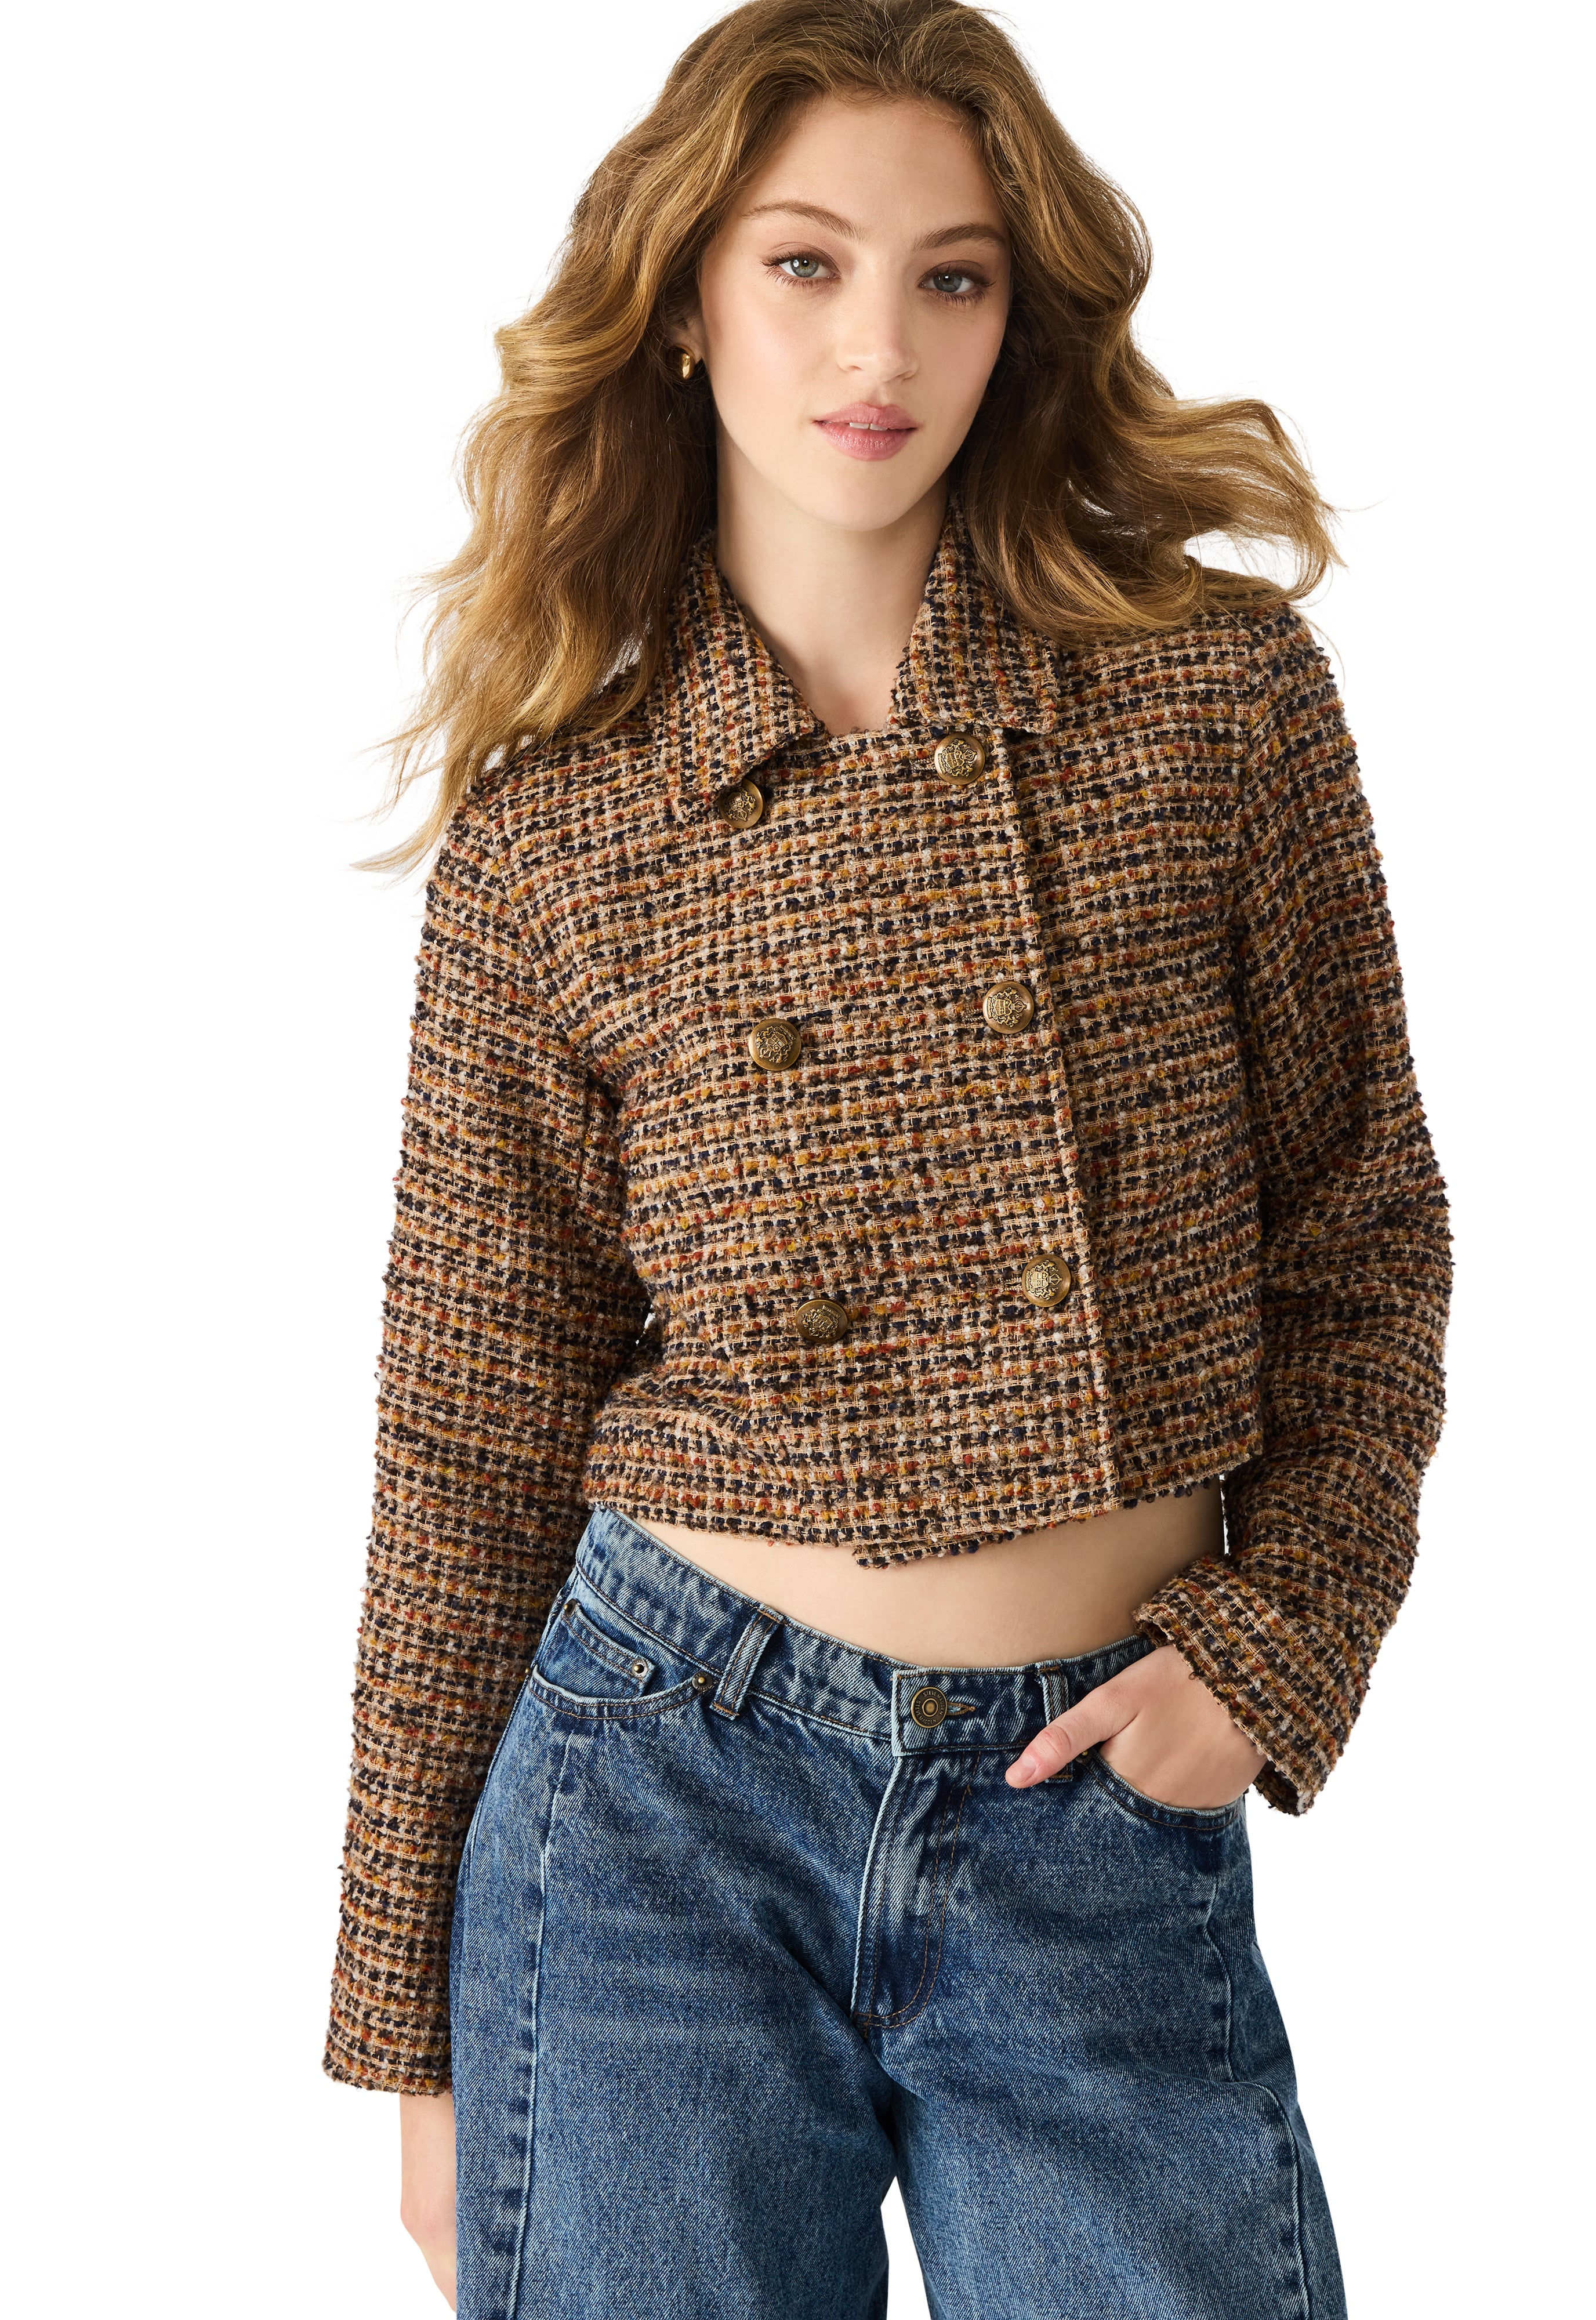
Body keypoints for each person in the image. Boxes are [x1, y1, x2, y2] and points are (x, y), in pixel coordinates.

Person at [324, 3, 1451, 2312]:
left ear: (1020, 315)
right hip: (654, 1809)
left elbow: (1363, 1236)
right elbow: (469, 1435)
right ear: (683, 302)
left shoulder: (1214, 703)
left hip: (1092, 1795)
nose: (880, 345)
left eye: (952, 276)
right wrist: (408, 2037)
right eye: (806, 263)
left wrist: (1279, 1646)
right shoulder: (558, 836)